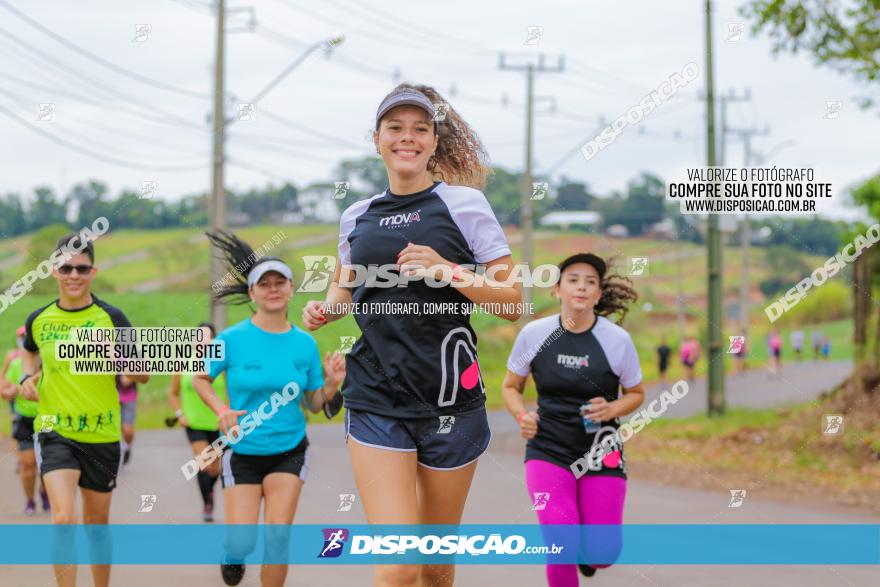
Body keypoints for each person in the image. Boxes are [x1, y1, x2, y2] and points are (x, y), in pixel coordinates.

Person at [302, 83, 522, 587]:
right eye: (396, 128)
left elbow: (512, 303)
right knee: (399, 565)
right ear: (377, 139)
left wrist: (448, 270)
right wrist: (325, 310)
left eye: (420, 129)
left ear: (433, 142)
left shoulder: (465, 205)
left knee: (434, 566)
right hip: (376, 394)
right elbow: (345, 288)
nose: (408, 138)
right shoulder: (356, 216)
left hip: (452, 397)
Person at [195, 232, 346, 587]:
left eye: (281, 282)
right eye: (265, 284)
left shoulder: (305, 344)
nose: (273, 289)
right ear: (252, 293)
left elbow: (311, 402)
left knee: (278, 539)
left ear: (291, 289)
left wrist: (331, 385)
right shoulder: (229, 340)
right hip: (241, 451)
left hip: (289, 450)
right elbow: (200, 379)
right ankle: (232, 553)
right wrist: (220, 409)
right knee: (242, 541)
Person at [502, 253, 645, 585]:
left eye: (590, 282)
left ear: (598, 294)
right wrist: (521, 414)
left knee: (603, 554)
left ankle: (589, 553)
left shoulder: (617, 340)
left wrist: (612, 409)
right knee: (560, 542)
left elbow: (637, 394)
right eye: (573, 279)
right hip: (548, 448)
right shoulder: (534, 334)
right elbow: (511, 386)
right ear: (557, 289)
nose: (581, 287)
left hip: (601, 450)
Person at [20, 233, 150, 587]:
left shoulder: (113, 317)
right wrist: (27, 377)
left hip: (102, 433)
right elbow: (29, 352)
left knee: (96, 528)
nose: (73, 274)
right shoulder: (39, 319)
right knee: (63, 519)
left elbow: (143, 374)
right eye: (66, 267)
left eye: (81, 268)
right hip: (53, 430)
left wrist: (118, 358)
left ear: (93, 272)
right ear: (53, 271)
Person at [168, 322, 227, 522]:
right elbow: (173, 393)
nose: (202, 341)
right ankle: (207, 504)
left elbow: (230, 391)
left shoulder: (220, 363)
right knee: (204, 462)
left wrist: (228, 413)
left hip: (218, 422)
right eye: (198, 337)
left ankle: (209, 493)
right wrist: (179, 414)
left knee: (215, 468)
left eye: (207, 337)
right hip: (193, 422)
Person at [1, 326, 49, 514]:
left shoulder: (49, 364)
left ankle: (45, 491)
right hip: (24, 417)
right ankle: (30, 500)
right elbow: (4, 390)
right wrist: (9, 391)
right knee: (28, 463)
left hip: (46, 418)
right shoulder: (14, 363)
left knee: (45, 462)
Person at [115, 374, 137, 465]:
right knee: (116, 428)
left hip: (129, 397)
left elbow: (126, 381)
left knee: (127, 430)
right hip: (113, 396)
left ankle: (127, 447)